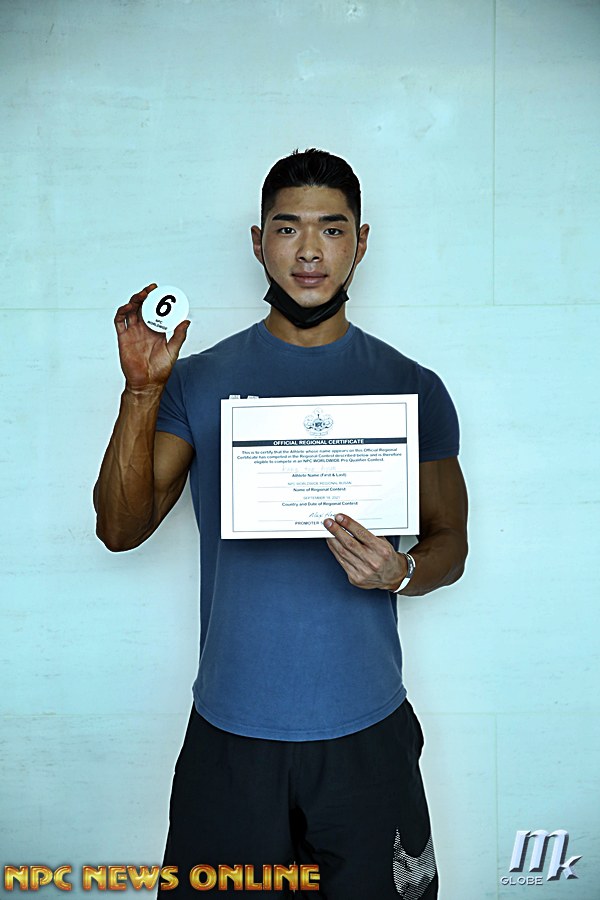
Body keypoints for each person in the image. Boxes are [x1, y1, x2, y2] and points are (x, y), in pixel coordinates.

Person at [94, 149, 468, 899]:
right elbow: (120, 529)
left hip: (367, 733)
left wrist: (400, 571)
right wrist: (140, 392)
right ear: (258, 241)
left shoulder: (410, 386)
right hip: (233, 734)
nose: (309, 252)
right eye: (288, 228)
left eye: (331, 229)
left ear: (361, 241)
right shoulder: (197, 380)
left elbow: (450, 543)